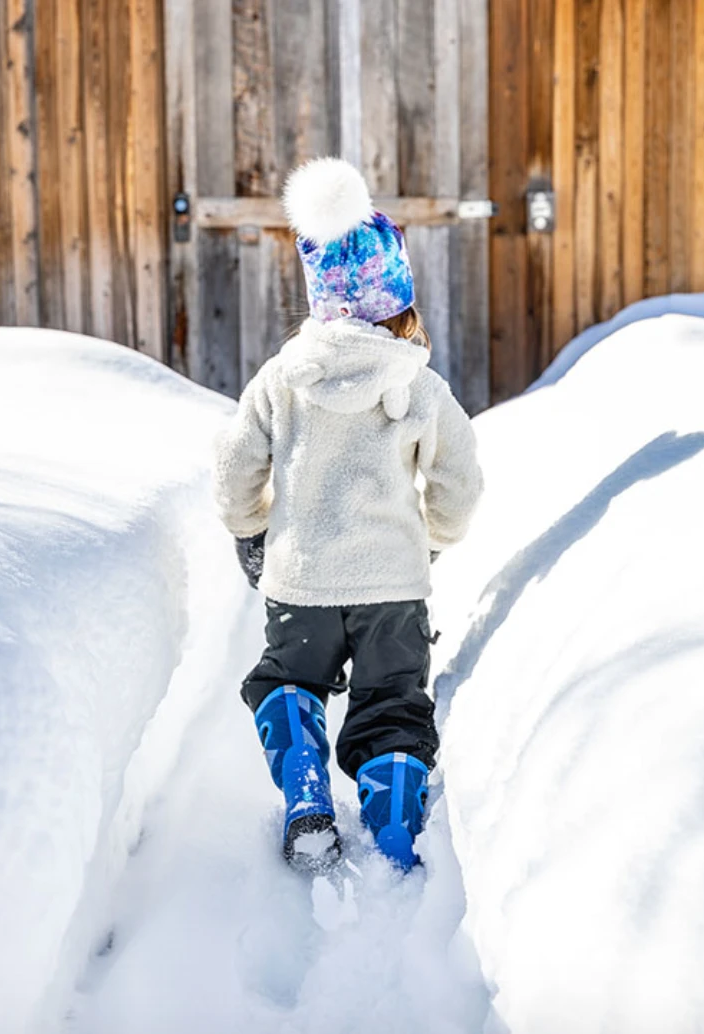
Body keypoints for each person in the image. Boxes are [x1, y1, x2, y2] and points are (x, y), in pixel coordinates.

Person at [213, 157, 483, 873]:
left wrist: (250, 529)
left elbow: (235, 466)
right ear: (398, 297)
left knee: (287, 683)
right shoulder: (419, 384)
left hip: (300, 583)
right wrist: (431, 539)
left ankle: (306, 789)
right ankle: (393, 826)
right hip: (393, 589)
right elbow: (459, 481)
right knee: (393, 706)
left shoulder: (281, 378)